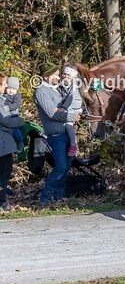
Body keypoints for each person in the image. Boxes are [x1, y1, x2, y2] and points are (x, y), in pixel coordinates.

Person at [35, 64, 79, 206]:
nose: (59, 76)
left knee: (66, 165)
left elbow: (65, 105)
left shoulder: (55, 90)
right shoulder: (41, 91)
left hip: (65, 132)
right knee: (60, 166)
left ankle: (59, 196)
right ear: (46, 76)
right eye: (55, 74)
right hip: (55, 135)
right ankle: (45, 198)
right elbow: (52, 113)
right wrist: (71, 116)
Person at [0, 77, 25, 212]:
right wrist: (20, 122)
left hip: (5, 139)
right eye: (4, 85)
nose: (6, 88)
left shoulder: (8, 99)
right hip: (3, 142)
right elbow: (6, 121)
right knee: (4, 170)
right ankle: (2, 200)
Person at [60, 66, 83, 157]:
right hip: (67, 108)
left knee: (68, 125)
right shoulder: (63, 84)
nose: (65, 76)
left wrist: (63, 107)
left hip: (74, 107)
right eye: (64, 74)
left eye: (68, 75)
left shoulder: (75, 86)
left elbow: (71, 98)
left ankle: (73, 145)